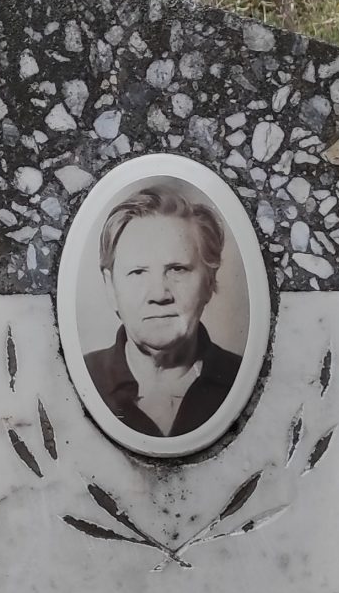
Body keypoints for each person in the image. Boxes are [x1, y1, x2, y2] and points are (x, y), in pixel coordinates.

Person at [86, 182, 240, 438]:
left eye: (177, 269)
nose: (159, 295)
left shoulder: (244, 379)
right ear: (110, 287)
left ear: (209, 281)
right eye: (138, 272)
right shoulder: (77, 380)